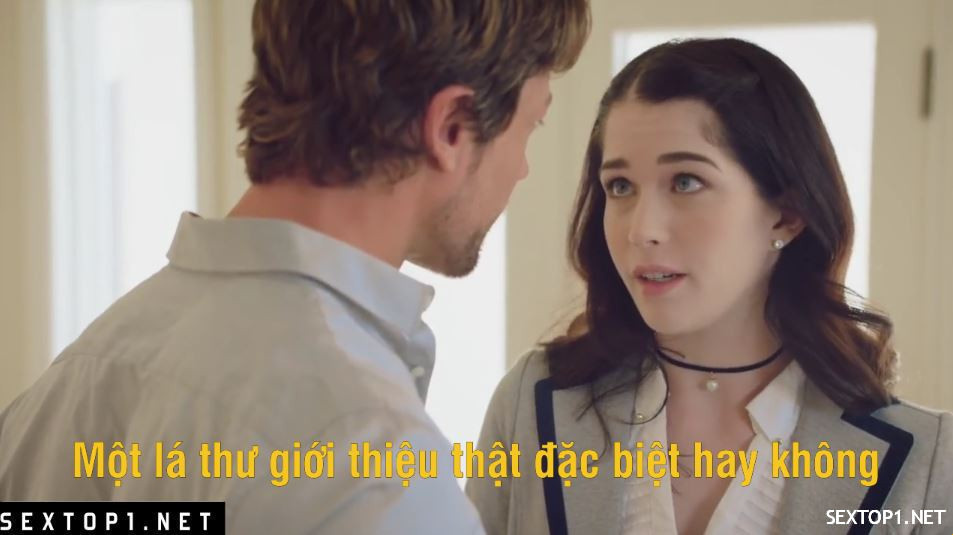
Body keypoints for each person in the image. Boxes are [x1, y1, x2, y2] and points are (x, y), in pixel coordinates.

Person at [0, 0, 589, 532]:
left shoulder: (65, 387)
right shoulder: (374, 467)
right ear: (452, 128)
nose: (522, 168)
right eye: (530, 126)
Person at [467, 38, 952, 535]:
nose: (641, 230)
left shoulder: (928, 464)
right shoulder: (531, 404)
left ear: (787, 214)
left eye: (685, 182)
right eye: (620, 186)